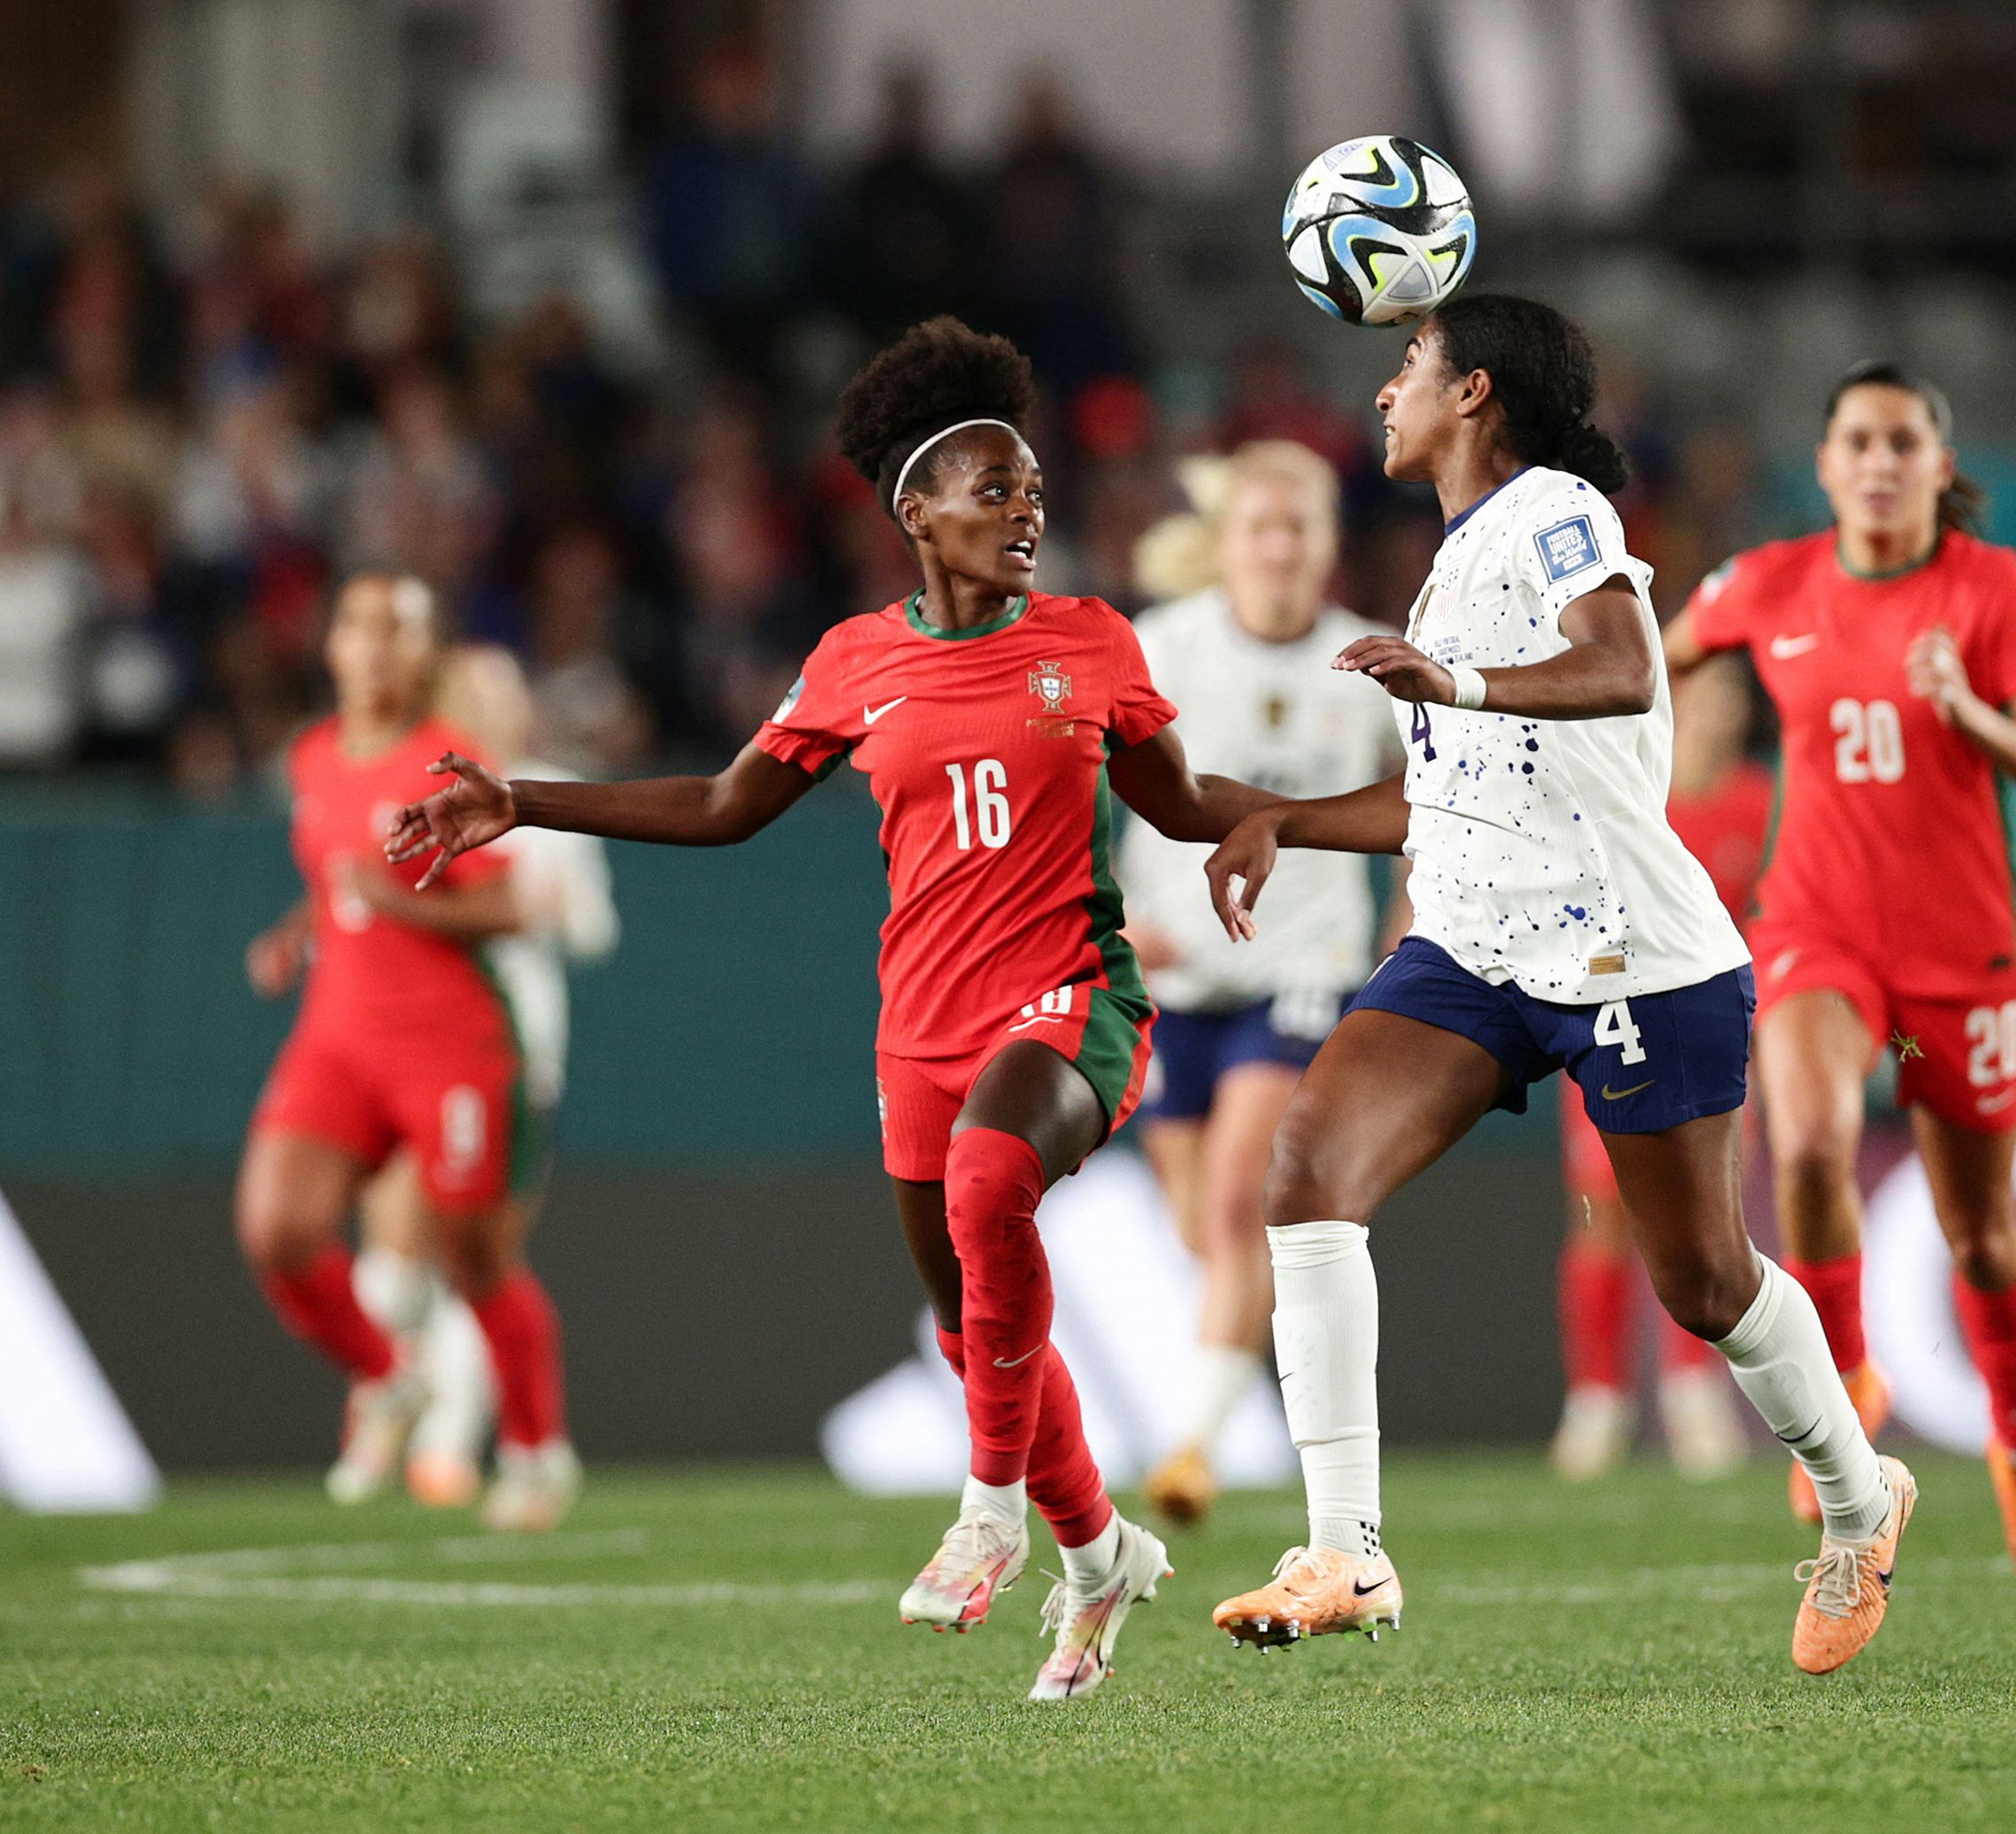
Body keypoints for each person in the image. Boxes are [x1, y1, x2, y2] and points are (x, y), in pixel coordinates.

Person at [384, 318, 1278, 1700]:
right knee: (974, 1312)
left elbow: (1186, 802)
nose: (1025, 512)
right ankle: (1099, 1558)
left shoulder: (1091, 643)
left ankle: (987, 1515)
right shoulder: (859, 660)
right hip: (918, 1028)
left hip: (1071, 997)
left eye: (1034, 492)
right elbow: (724, 805)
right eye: (995, 490)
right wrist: (525, 794)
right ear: (915, 509)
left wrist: (1346, 818)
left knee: (992, 1191)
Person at [1200, 295, 1915, 1677]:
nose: (1384, 388)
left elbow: (1624, 663)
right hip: (1474, 947)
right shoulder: (1453, 559)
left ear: (1474, 393)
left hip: (1629, 953)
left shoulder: (1548, 510)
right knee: (1305, 1174)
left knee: (1702, 1285)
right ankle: (1346, 1545)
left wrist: (1452, 676)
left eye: (1407, 363)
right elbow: (1446, 797)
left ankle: (1855, 1495)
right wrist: (1289, 816)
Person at [1663, 360, 2016, 1592]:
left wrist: (1973, 711)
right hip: (1817, 931)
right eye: (1858, 438)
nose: (1880, 460)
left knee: (1986, 1235)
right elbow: (1656, 655)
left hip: (1963, 958)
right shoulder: (1776, 581)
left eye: (1904, 440)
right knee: (1803, 1143)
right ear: (1825, 462)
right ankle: (1843, 1394)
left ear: (1940, 467)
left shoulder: (1994, 589)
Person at [237, 574, 579, 1531]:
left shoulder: (446, 766)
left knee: (476, 1262)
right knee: (277, 1230)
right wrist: (298, 930)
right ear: (332, 644)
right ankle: (389, 1378)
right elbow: (341, 869)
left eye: (400, 630)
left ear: (425, 655)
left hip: (449, 1046)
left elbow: (507, 904)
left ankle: (536, 1448)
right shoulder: (311, 756)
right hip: (339, 1035)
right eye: (358, 624)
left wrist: (398, 908)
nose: (376, 645)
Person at [1115, 441, 1404, 1527]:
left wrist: (1406, 938)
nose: (1281, 548)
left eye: (1302, 528)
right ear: (1226, 544)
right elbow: (1084, 793)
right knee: (1204, 1226)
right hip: (1177, 975)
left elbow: (1429, 817)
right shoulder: (1162, 650)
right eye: (1261, 527)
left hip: (1305, 972)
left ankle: (1194, 1447)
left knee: (1244, 1195)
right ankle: (1246, 1366)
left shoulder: (1370, 669)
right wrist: (1118, 916)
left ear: (1330, 544)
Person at [349, 646, 620, 1508]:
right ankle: (392, 1394)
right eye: (478, 695)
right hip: (406, 1049)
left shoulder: (549, 792)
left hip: (511, 1053)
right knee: (392, 1262)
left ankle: (448, 1447)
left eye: (508, 693)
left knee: (480, 1258)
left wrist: (555, 909)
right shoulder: (407, 790)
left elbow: (594, 933)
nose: (499, 710)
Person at [1550, 656, 1767, 1482]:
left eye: (1732, 696)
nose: (1719, 712)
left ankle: (1691, 1395)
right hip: (1616, 1013)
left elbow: (1767, 923)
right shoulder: (1631, 785)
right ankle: (1596, 1403)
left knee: (1700, 1211)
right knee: (1602, 1209)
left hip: (1709, 1027)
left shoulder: (1759, 801)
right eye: (1704, 694)